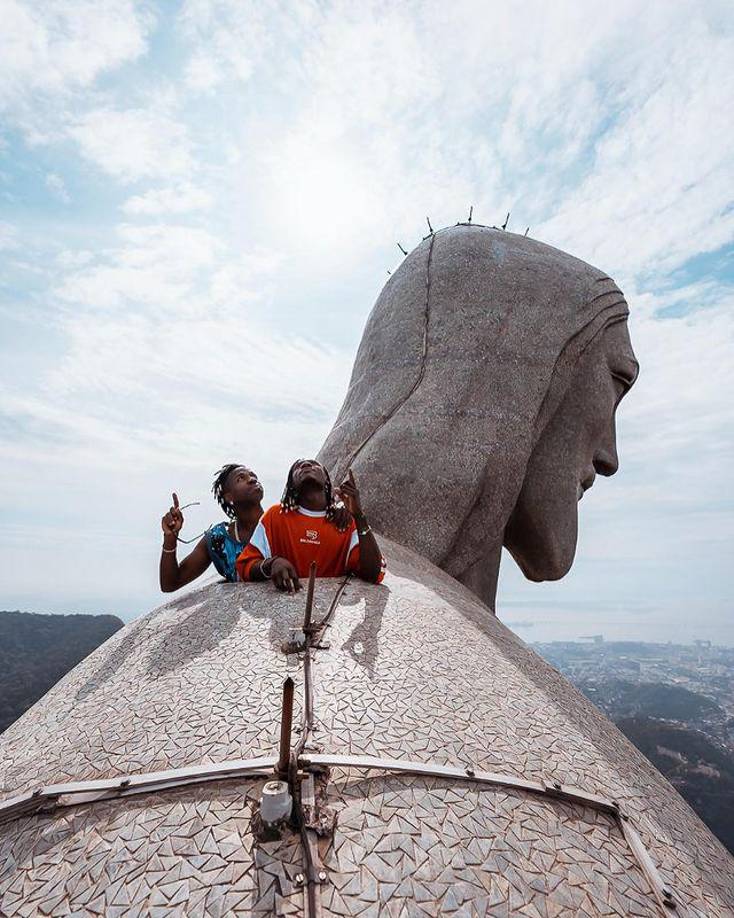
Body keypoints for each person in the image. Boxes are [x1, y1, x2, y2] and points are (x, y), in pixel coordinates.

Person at [236, 459, 385, 592]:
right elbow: (245, 566)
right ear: (291, 484)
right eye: (298, 467)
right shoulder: (275, 516)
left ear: (327, 480)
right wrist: (271, 564)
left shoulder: (345, 521)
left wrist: (359, 516)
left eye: (314, 464)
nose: (306, 465)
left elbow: (372, 573)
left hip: (329, 617)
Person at [159, 464, 264, 591]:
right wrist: (170, 537)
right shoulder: (218, 540)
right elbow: (170, 584)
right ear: (228, 497)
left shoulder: (280, 522)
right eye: (240, 479)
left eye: (253, 476)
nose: (252, 479)